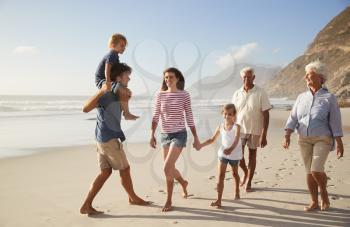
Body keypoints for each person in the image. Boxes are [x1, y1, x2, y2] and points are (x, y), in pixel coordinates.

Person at [80, 63, 149, 216]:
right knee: (125, 169)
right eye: (127, 75)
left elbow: (124, 93)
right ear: (118, 78)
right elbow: (85, 109)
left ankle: (86, 205)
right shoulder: (108, 93)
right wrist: (103, 90)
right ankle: (133, 198)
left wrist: (126, 103)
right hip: (109, 139)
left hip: (101, 138)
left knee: (105, 172)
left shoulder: (117, 92)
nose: (129, 78)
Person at [283, 60, 344, 212]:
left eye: (310, 75)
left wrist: (339, 141)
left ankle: (323, 192)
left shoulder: (329, 97)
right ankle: (314, 201)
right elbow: (293, 117)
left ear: (321, 78)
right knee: (309, 172)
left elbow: (335, 120)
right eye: (306, 76)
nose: (306, 78)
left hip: (323, 138)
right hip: (303, 138)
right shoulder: (301, 97)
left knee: (316, 169)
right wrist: (287, 134)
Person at [150, 67, 200, 212]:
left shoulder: (184, 95)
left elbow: (189, 116)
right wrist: (151, 134)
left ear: (177, 78)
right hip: (164, 135)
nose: (168, 80)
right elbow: (155, 115)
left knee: (166, 168)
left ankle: (169, 200)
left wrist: (196, 137)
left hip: (179, 134)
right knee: (170, 168)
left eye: (171, 77)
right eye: (166, 77)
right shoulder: (160, 94)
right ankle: (183, 182)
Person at [231, 67, 272, 192]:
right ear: (241, 78)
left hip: (255, 130)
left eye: (249, 76)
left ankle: (248, 181)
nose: (246, 79)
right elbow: (232, 113)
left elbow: (266, 114)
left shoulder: (261, 92)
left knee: (252, 156)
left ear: (253, 77)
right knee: (238, 156)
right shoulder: (237, 93)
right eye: (244, 77)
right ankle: (246, 172)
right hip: (239, 129)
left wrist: (264, 134)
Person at [199, 104, 242, 208]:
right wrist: (201, 145)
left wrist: (231, 149)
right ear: (222, 113)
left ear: (234, 115)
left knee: (235, 174)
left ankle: (237, 189)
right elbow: (212, 139)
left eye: (230, 114)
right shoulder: (220, 126)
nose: (227, 116)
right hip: (223, 153)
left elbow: (236, 140)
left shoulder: (237, 127)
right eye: (225, 113)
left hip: (234, 154)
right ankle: (219, 200)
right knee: (220, 176)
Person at [95, 33, 138, 120]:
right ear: (113, 45)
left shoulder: (116, 56)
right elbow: (107, 68)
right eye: (122, 45)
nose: (124, 48)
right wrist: (107, 81)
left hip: (109, 80)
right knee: (122, 90)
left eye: (125, 46)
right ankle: (126, 113)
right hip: (102, 80)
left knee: (126, 92)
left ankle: (124, 112)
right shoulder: (112, 55)